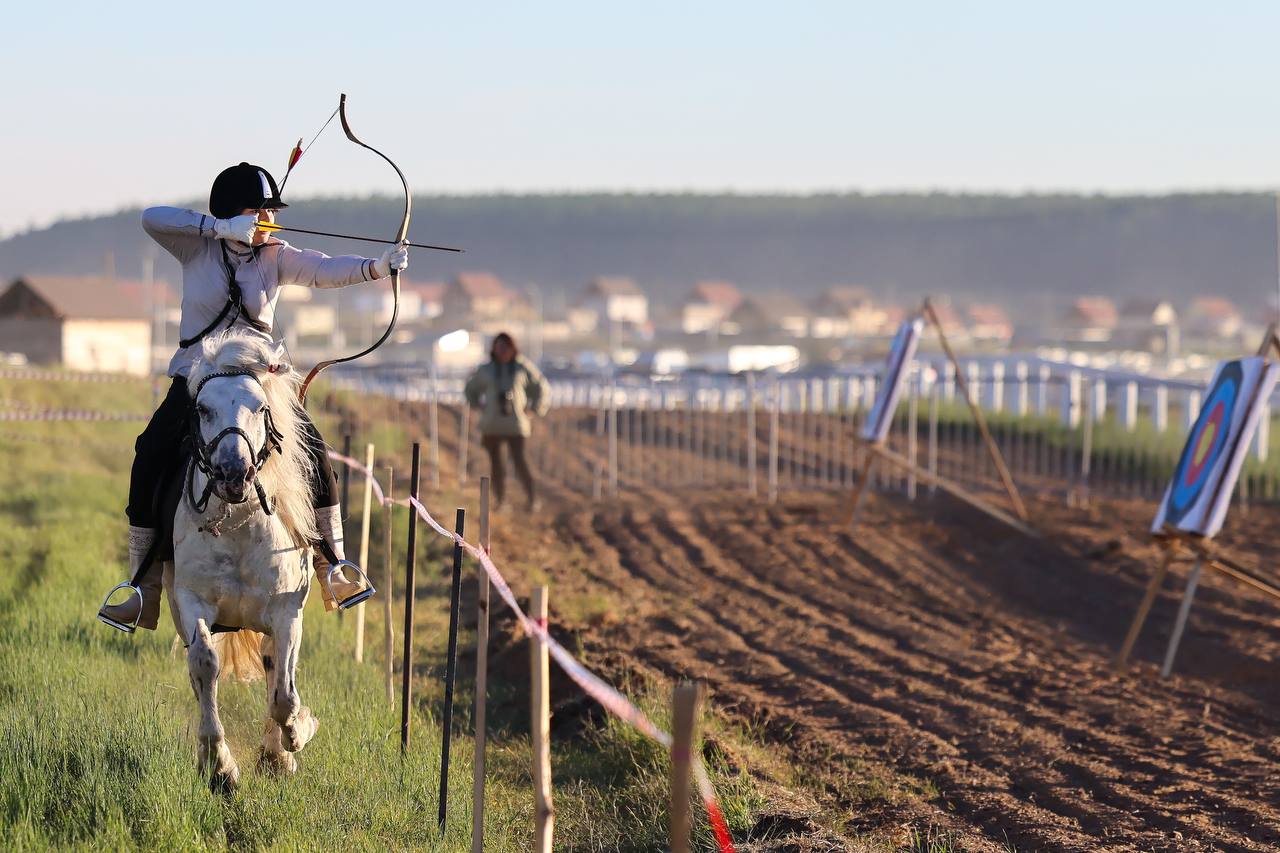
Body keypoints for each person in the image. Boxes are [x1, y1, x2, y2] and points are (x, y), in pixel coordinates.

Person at [98, 162, 408, 633]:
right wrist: (219, 229)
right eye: (258, 213)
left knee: (314, 452)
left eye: (269, 214)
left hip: (261, 383)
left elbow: (325, 270)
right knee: (150, 451)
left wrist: (377, 266)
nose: (268, 222)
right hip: (197, 378)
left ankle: (334, 567)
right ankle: (144, 588)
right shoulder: (195, 247)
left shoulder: (275, 256)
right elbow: (151, 217)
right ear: (231, 214)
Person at [464, 333, 550, 510]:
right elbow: (470, 389)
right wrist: (478, 405)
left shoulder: (522, 367)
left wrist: (534, 409)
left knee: (520, 462)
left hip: (515, 425)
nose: (502, 351)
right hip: (491, 425)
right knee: (496, 465)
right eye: (499, 347)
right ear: (494, 349)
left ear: (512, 349)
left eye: (506, 347)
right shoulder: (486, 370)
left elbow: (541, 388)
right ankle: (501, 500)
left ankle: (532, 499)